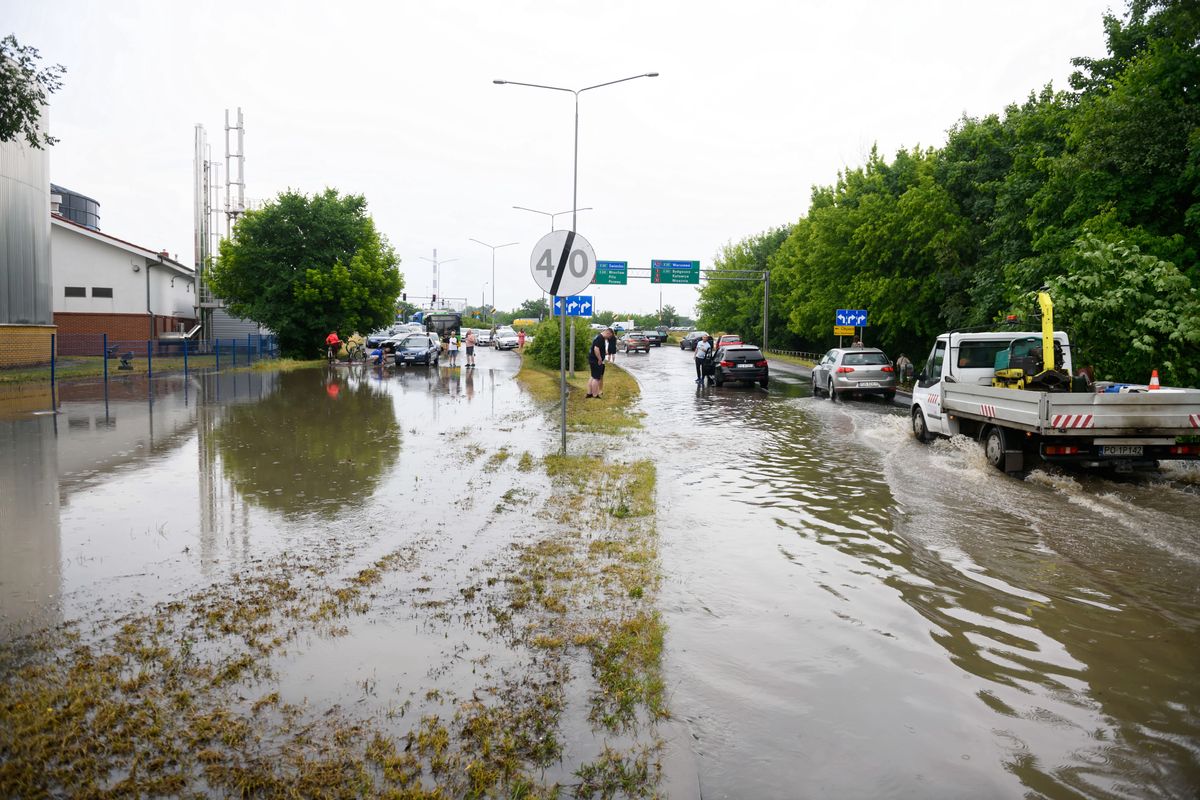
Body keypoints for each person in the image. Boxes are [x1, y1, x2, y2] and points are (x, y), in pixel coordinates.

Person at [587, 327, 613, 398]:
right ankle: (595, 395)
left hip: (592, 359)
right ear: (608, 333)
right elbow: (596, 348)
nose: (609, 338)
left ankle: (589, 393)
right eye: (609, 336)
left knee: (592, 376)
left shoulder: (599, 337)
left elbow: (598, 348)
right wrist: (599, 359)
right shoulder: (600, 338)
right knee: (596, 378)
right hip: (596, 361)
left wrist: (604, 353)